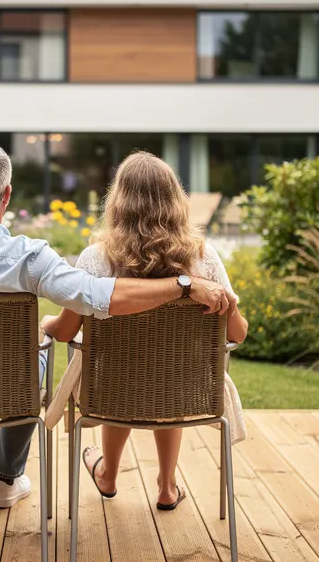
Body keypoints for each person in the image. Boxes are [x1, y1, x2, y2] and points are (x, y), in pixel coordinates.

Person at [0, 141, 233, 511]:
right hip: (11, 390)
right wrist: (183, 285)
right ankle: (6, 480)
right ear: (7, 195)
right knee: (34, 358)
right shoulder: (30, 256)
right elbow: (95, 295)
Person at [41, 151, 248, 511]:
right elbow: (238, 333)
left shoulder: (96, 259)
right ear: (175, 200)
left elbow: (64, 332)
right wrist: (227, 306)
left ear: (118, 201)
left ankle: (107, 474)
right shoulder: (204, 258)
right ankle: (167, 486)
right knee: (167, 374)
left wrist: (49, 323)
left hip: (109, 391)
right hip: (184, 389)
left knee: (118, 371)